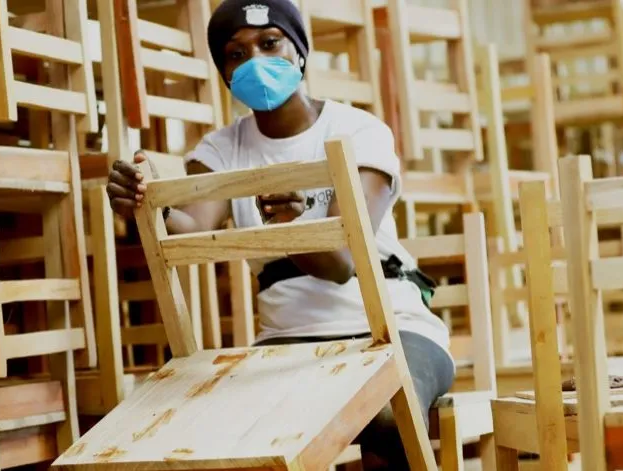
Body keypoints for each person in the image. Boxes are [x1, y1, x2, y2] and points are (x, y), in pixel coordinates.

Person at [105, 0, 455, 468]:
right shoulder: (222, 149)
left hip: (392, 329)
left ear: (300, 52)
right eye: (235, 54)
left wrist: (292, 225)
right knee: (231, 431)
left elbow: (341, 264)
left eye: (270, 44)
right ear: (224, 73)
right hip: (288, 341)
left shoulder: (358, 131)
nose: (254, 61)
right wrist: (143, 205)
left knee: (389, 413)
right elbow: (190, 227)